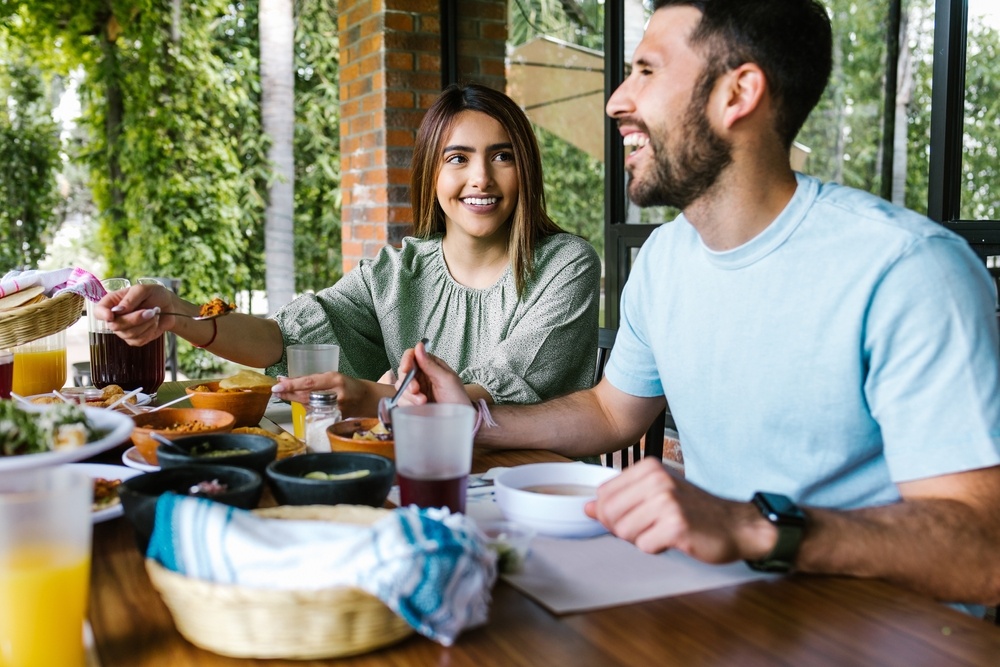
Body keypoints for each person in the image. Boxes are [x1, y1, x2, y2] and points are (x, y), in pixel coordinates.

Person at [394, 0, 1000, 610]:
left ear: (738, 93)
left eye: (648, 72)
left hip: (880, 632)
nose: (617, 101)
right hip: (719, 609)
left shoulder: (911, 270)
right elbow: (610, 413)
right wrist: (474, 423)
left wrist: (754, 527)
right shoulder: (666, 258)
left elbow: (984, 552)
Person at [95, 84, 601, 417]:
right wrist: (179, 315)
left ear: (526, 169)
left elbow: (503, 382)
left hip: (530, 485)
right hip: (418, 476)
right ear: (431, 174)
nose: (481, 178)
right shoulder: (396, 272)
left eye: (502, 156)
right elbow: (282, 339)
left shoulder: (564, 265)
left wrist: (380, 397)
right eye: (458, 158)